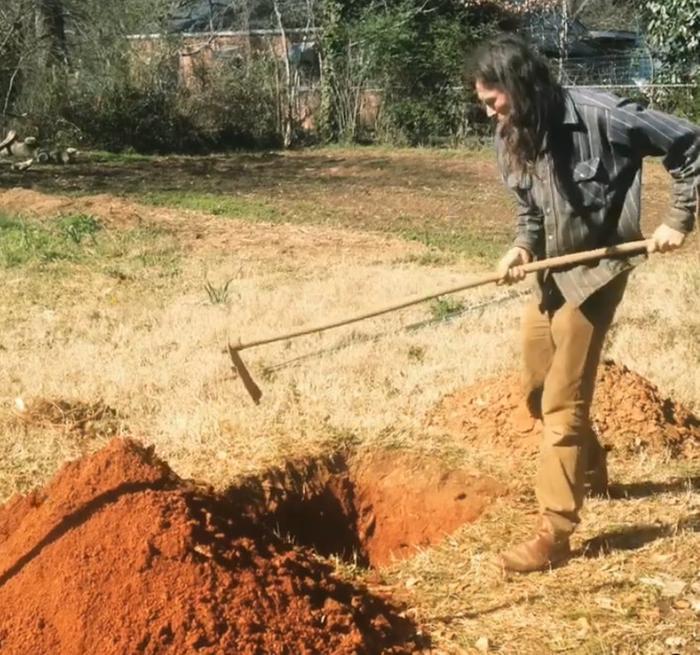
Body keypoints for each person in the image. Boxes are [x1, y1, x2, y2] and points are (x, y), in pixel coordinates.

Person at [473, 34, 699, 573]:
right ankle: (590, 469)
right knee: (535, 384)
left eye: (492, 100)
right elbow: (530, 210)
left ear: (519, 85)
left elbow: (689, 144)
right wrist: (521, 247)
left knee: (562, 406)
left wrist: (677, 219)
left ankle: (554, 534)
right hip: (551, 274)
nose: (489, 113)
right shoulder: (510, 136)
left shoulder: (601, 115)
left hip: (597, 274)